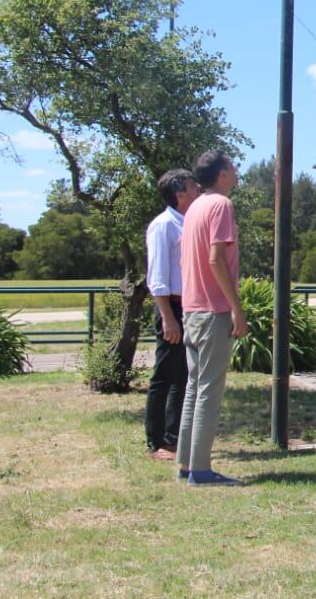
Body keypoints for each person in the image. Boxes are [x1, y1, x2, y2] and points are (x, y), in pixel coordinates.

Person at [176, 150, 247, 486]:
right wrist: (236, 307)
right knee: (209, 390)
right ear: (221, 174)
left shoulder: (194, 209)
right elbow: (217, 259)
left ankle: (186, 465)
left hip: (192, 309)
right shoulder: (220, 205)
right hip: (212, 310)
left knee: (194, 387)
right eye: (232, 166)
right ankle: (201, 470)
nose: (236, 171)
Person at [143, 168, 200, 460]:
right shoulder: (163, 226)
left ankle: (174, 436)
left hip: (188, 304)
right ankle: (156, 441)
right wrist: (167, 316)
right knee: (164, 375)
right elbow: (157, 277)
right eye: (193, 186)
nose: (198, 188)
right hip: (172, 306)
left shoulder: (188, 223)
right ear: (180, 194)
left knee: (183, 375)